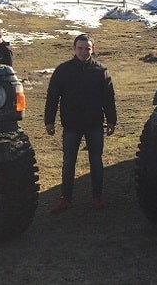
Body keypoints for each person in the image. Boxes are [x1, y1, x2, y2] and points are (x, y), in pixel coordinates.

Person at [44, 33, 117, 213]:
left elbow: (108, 98)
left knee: (96, 161)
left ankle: (97, 196)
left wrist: (111, 120)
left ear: (93, 49)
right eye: (80, 48)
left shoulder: (101, 71)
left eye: (87, 48)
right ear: (74, 49)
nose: (84, 52)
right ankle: (66, 198)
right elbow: (52, 96)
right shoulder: (63, 70)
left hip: (94, 124)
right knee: (69, 162)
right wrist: (49, 121)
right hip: (71, 125)